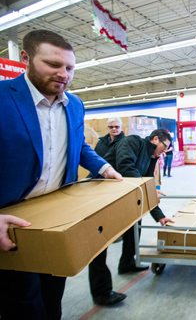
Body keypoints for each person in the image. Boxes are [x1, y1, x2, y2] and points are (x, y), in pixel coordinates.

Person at [0, 30, 122, 319]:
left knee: (53, 300)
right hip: (12, 225)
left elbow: (77, 145)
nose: (63, 74)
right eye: (53, 64)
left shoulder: (75, 104)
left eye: (69, 68)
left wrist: (105, 168)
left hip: (57, 220)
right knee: (23, 306)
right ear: (26, 58)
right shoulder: (3, 99)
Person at [102, 129, 173, 274]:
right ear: (154, 139)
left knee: (135, 227)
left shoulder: (152, 158)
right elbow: (126, 166)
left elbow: (148, 186)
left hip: (127, 195)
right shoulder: (133, 142)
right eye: (164, 147)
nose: (164, 151)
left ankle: (127, 264)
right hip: (105, 194)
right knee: (102, 241)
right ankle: (101, 291)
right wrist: (146, 188)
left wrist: (160, 216)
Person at [87, 117, 127, 306]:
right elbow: (93, 160)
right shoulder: (101, 143)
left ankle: (103, 289)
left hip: (113, 190)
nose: (113, 129)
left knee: (101, 242)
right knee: (97, 244)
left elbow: (124, 166)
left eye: (116, 126)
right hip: (95, 191)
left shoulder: (125, 143)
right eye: (110, 126)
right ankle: (102, 291)